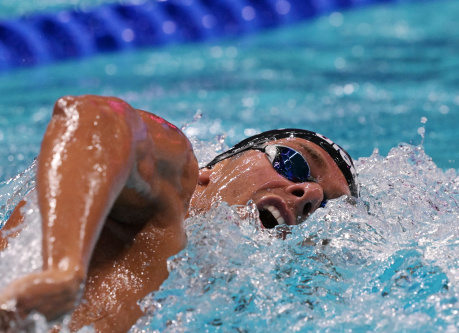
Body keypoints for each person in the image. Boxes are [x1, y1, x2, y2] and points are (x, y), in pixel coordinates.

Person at [0, 95, 358, 332]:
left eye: (327, 205)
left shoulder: (222, 302)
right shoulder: (171, 185)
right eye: (292, 163)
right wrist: (63, 270)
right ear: (210, 171)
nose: (309, 194)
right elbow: (95, 119)